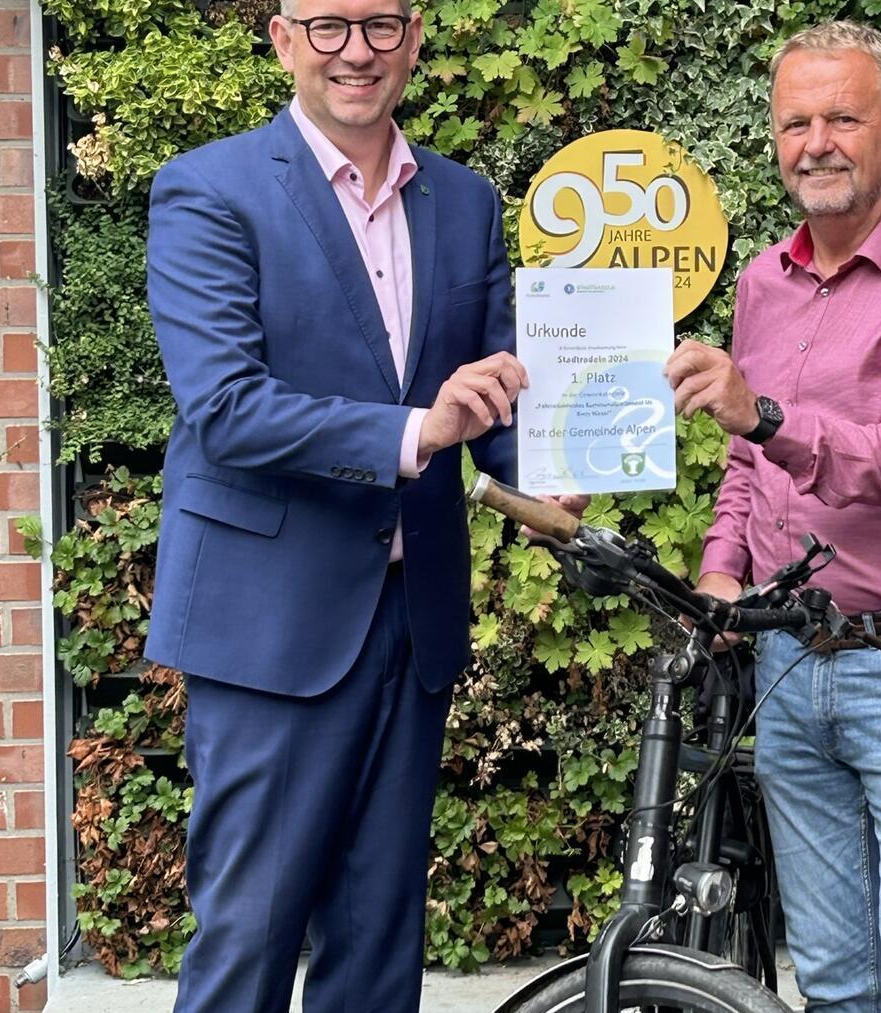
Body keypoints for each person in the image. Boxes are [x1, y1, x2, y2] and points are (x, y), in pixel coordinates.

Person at [145, 2, 581, 1009]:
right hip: (271, 624)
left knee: (379, 949)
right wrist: (414, 432)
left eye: (380, 24)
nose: (357, 50)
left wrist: (545, 466)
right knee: (248, 945)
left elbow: (486, 386)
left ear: (416, 37)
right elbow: (226, 408)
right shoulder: (210, 189)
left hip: (411, 618)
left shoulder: (465, 202)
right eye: (330, 24)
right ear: (283, 38)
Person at [664, 21, 881, 1013]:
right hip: (790, 663)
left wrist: (765, 414)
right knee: (833, 979)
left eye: (843, 118)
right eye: (794, 122)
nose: (814, 141)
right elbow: (747, 464)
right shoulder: (762, 284)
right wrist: (723, 570)